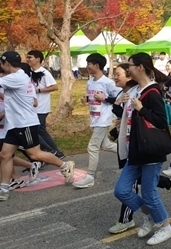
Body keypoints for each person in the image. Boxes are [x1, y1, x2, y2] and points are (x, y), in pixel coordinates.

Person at [108, 63, 171, 235]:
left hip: (149, 148)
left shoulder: (153, 92)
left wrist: (142, 109)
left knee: (149, 193)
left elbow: (161, 121)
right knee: (122, 190)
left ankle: (165, 227)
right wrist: (118, 105)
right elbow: (125, 115)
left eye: (130, 65)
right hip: (133, 149)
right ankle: (150, 217)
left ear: (140, 67)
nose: (127, 69)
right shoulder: (133, 90)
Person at [0, 51, 74, 201]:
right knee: (4, 155)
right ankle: (4, 188)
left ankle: (65, 165)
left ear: (6, 64)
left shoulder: (16, 77)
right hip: (15, 123)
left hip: (25, 123)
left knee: (35, 154)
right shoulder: (21, 76)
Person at [73, 53, 119, 189]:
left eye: (89, 64)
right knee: (106, 145)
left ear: (97, 66)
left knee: (92, 147)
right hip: (94, 118)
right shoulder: (90, 82)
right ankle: (131, 152)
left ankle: (90, 177)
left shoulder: (108, 83)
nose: (87, 67)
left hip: (103, 120)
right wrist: (86, 99)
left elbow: (119, 99)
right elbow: (93, 97)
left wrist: (104, 99)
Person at [26, 50, 65, 159]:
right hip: (33, 108)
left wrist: (38, 90)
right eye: (27, 57)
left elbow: (54, 86)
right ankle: (57, 152)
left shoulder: (44, 72)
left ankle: (51, 151)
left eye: (30, 57)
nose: (28, 59)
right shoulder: (29, 72)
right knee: (42, 131)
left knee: (34, 131)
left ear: (38, 59)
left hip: (41, 107)